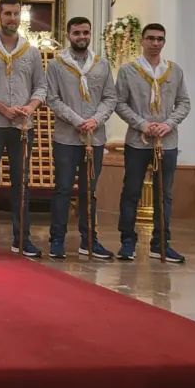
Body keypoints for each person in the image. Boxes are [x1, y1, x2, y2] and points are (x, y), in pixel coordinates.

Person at [0, 0, 46, 256]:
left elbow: (41, 85)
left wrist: (30, 107)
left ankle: (22, 237)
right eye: (7, 14)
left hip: (23, 125)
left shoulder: (31, 51)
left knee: (21, 181)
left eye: (16, 14)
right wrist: (3, 108)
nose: (12, 19)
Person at [114, 23, 191, 264]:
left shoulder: (174, 71)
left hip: (167, 142)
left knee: (164, 193)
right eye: (151, 39)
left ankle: (161, 243)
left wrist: (168, 123)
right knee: (132, 191)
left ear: (164, 42)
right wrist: (142, 124)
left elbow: (184, 102)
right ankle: (127, 242)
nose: (155, 43)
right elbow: (119, 102)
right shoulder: (128, 71)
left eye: (160, 39)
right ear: (142, 41)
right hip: (139, 141)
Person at [45, 17, 117, 260]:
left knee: (90, 190)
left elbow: (110, 98)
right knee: (63, 189)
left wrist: (95, 120)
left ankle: (89, 240)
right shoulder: (56, 65)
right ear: (68, 35)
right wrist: (77, 120)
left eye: (85, 32)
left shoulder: (102, 65)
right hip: (67, 137)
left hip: (94, 139)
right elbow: (52, 99)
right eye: (77, 33)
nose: (82, 37)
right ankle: (57, 240)